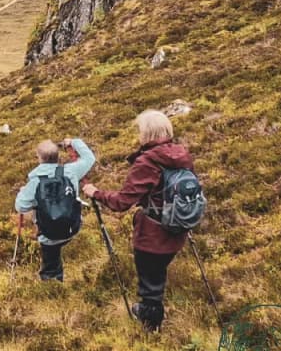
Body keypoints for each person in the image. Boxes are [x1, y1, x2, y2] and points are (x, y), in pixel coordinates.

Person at [83, 110, 192, 332]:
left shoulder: (148, 162)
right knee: (157, 273)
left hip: (153, 234)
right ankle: (153, 311)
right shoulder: (181, 155)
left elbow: (122, 202)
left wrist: (96, 193)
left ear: (146, 133)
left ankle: (151, 327)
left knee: (150, 283)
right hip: (178, 227)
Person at [14, 137, 96, 281]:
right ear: (58, 156)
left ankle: (52, 286)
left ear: (39, 158)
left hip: (48, 234)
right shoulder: (70, 171)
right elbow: (90, 158)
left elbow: (20, 206)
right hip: (72, 227)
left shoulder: (36, 181)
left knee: (51, 263)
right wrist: (73, 142)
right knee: (60, 241)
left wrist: (23, 192)